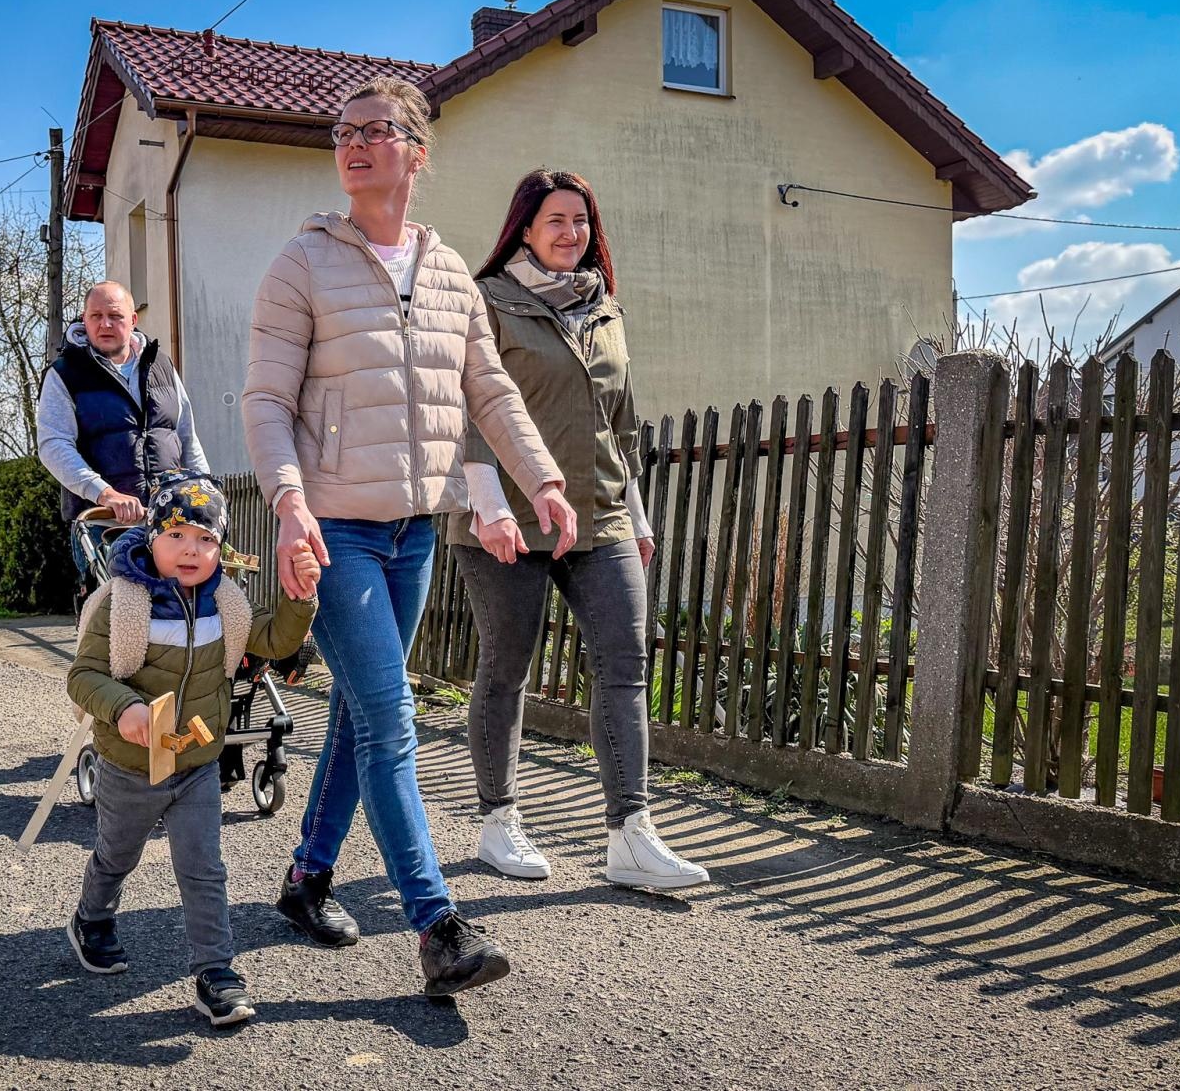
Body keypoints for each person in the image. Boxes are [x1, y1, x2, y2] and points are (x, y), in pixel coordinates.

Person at [243, 76, 575, 998]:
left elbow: (489, 392)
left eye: (374, 130)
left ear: (416, 154)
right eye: (341, 131)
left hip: (413, 533)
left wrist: (539, 474)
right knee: (392, 719)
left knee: (359, 710)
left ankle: (309, 878)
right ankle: (437, 927)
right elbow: (266, 401)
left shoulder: (449, 272)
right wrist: (289, 501)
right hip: (336, 529)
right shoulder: (301, 265)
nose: (352, 143)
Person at [454, 169, 709, 891]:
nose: (572, 234)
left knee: (625, 665)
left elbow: (621, 424)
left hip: (603, 513)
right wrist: (483, 503)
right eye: (557, 221)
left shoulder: (604, 308)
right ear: (524, 229)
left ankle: (631, 832)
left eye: (582, 222)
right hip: (506, 513)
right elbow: (467, 407)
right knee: (507, 668)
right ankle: (498, 819)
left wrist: (641, 512)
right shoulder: (488, 300)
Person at [64, 472, 319, 1026]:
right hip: (130, 765)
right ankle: (92, 917)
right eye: (178, 534)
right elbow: (82, 676)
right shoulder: (122, 603)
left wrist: (301, 598)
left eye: (205, 539)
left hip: (198, 764)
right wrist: (124, 708)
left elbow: (274, 641)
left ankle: (216, 973)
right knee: (117, 855)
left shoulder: (226, 602)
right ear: (153, 537)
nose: (191, 550)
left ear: (219, 548)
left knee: (204, 869)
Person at [37, 282, 209, 580]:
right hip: (103, 527)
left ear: (132, 320)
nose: (105, 324)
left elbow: (186, 437)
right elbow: (53, 445)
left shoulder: (162, 367)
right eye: (96, 316)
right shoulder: (65, 374)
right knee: (118, 619)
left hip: (171, 523)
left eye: (115, 316)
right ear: (84, 319)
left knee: (181, 618)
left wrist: (205, 494)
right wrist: (105, 494)